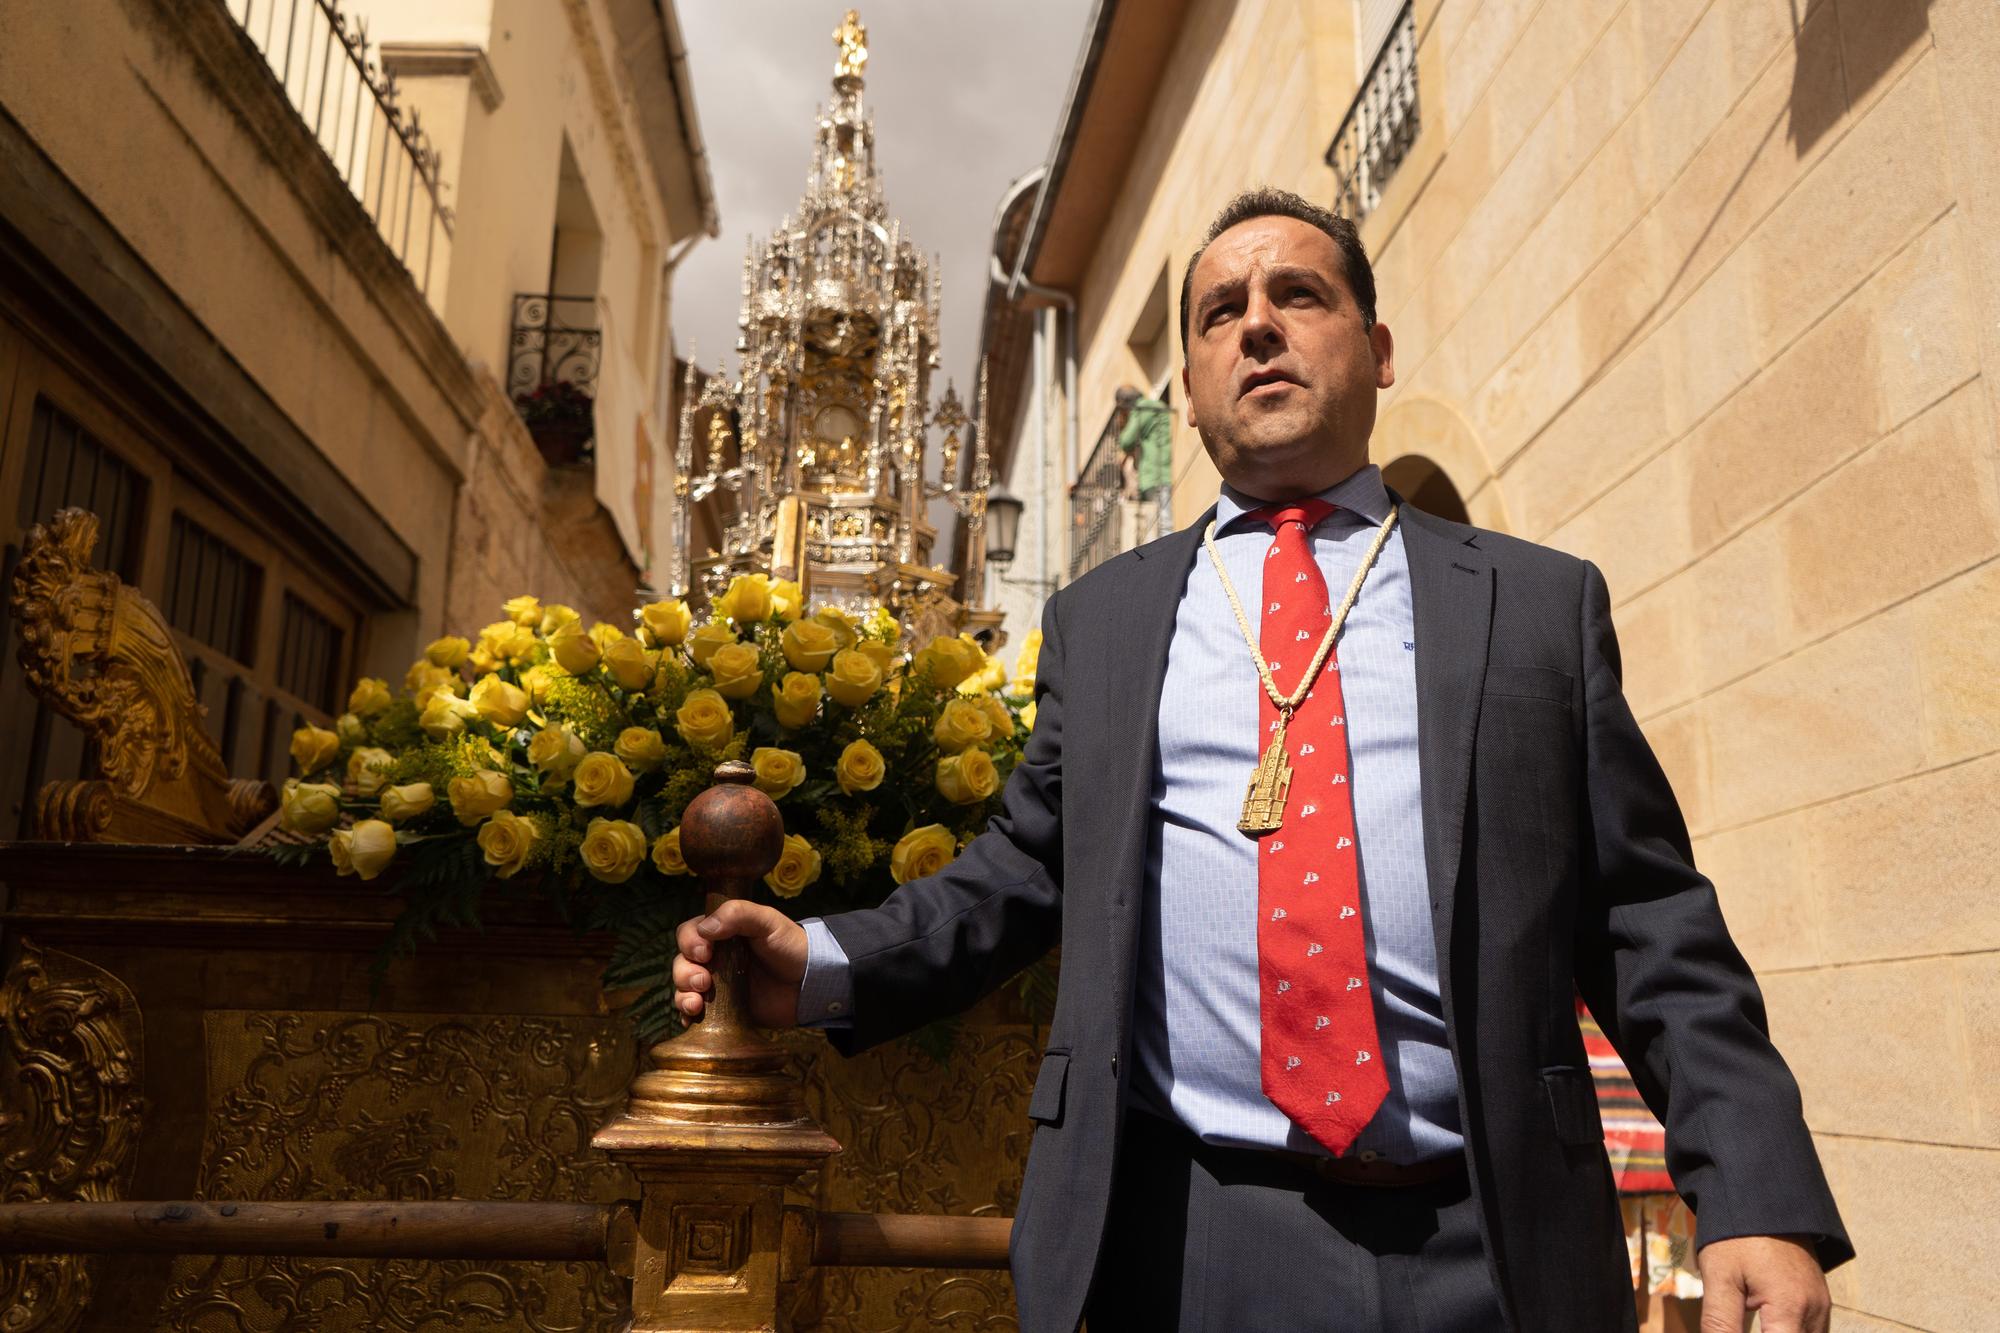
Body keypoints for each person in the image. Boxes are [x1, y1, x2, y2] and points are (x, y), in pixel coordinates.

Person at [672, 188, 1850, 1332]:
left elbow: (1649, 916)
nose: (1257, 325)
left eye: (1298, 293)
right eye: (1217, 311)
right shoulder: (1106, 620)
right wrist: (821, 963)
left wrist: (1750, 1189)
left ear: (1377, 348)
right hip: (1192, 1241)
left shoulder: (1534, 603)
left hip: (1496, 1239)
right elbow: (1022, 870)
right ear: (1188, 385)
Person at [1115, 384, 1175, 541]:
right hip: (1163, 471)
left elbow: (1126, 441)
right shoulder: (1158, 407)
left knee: (1161, 524)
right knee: (1161, 522)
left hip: (1154, 474)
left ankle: (1166, 559)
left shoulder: (1143, 408)